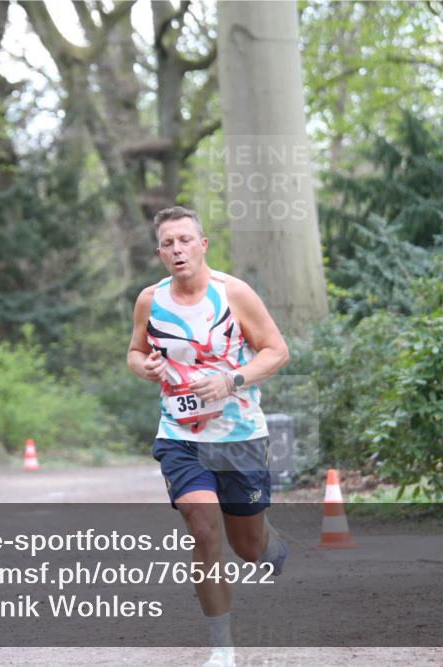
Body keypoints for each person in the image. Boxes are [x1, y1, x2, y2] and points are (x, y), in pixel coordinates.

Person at [127, 206, 289, 667]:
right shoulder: (149, 301)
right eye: (167, 244)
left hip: (239, 437)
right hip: (180, 435)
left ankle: (266, 540)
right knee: (203, 531)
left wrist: (231, 380)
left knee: (249, 548)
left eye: (184, 240)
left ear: (203, 244)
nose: (177, 250)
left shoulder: (234, 294)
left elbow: (277, 351)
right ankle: (222, 648)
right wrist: (148, 367)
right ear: (159, 253)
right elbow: (136, 352)